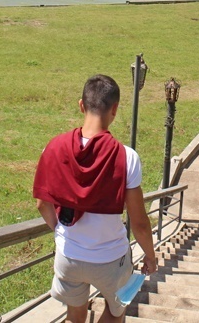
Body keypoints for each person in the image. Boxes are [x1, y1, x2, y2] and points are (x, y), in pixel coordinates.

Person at [33, 74, 158, 323]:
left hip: (68, 255)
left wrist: (59, 231)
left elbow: (41, 203)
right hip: (111, 258)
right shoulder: (127, 157)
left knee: (74, 316)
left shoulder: (54, 147)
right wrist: (151, 257)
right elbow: (140, 222)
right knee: (116, 311)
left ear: (82, 105)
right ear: (115, 109)